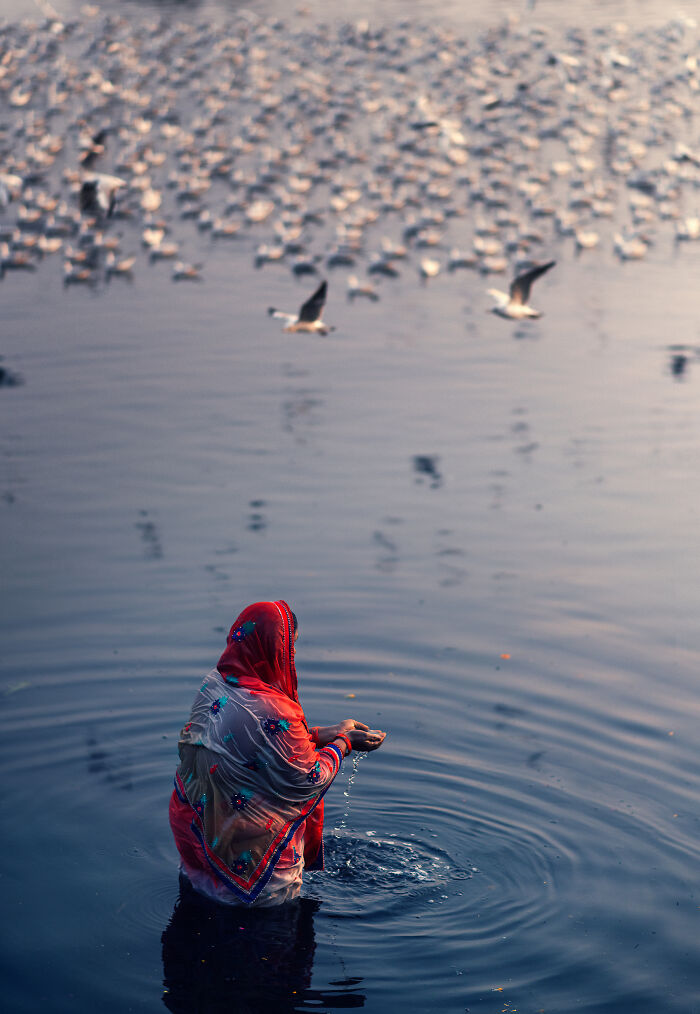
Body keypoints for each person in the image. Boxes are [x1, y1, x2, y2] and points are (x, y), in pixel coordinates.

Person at [169, 600, 386, 906]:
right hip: (251, 865)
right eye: (289, 648)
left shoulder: (215, 684)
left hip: (200, 837)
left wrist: (327, 733)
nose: (291, 657)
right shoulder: (273, 709)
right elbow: (307, 778)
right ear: (275, 648)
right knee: (269, 946)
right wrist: (345, 744)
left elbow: (251, 743)